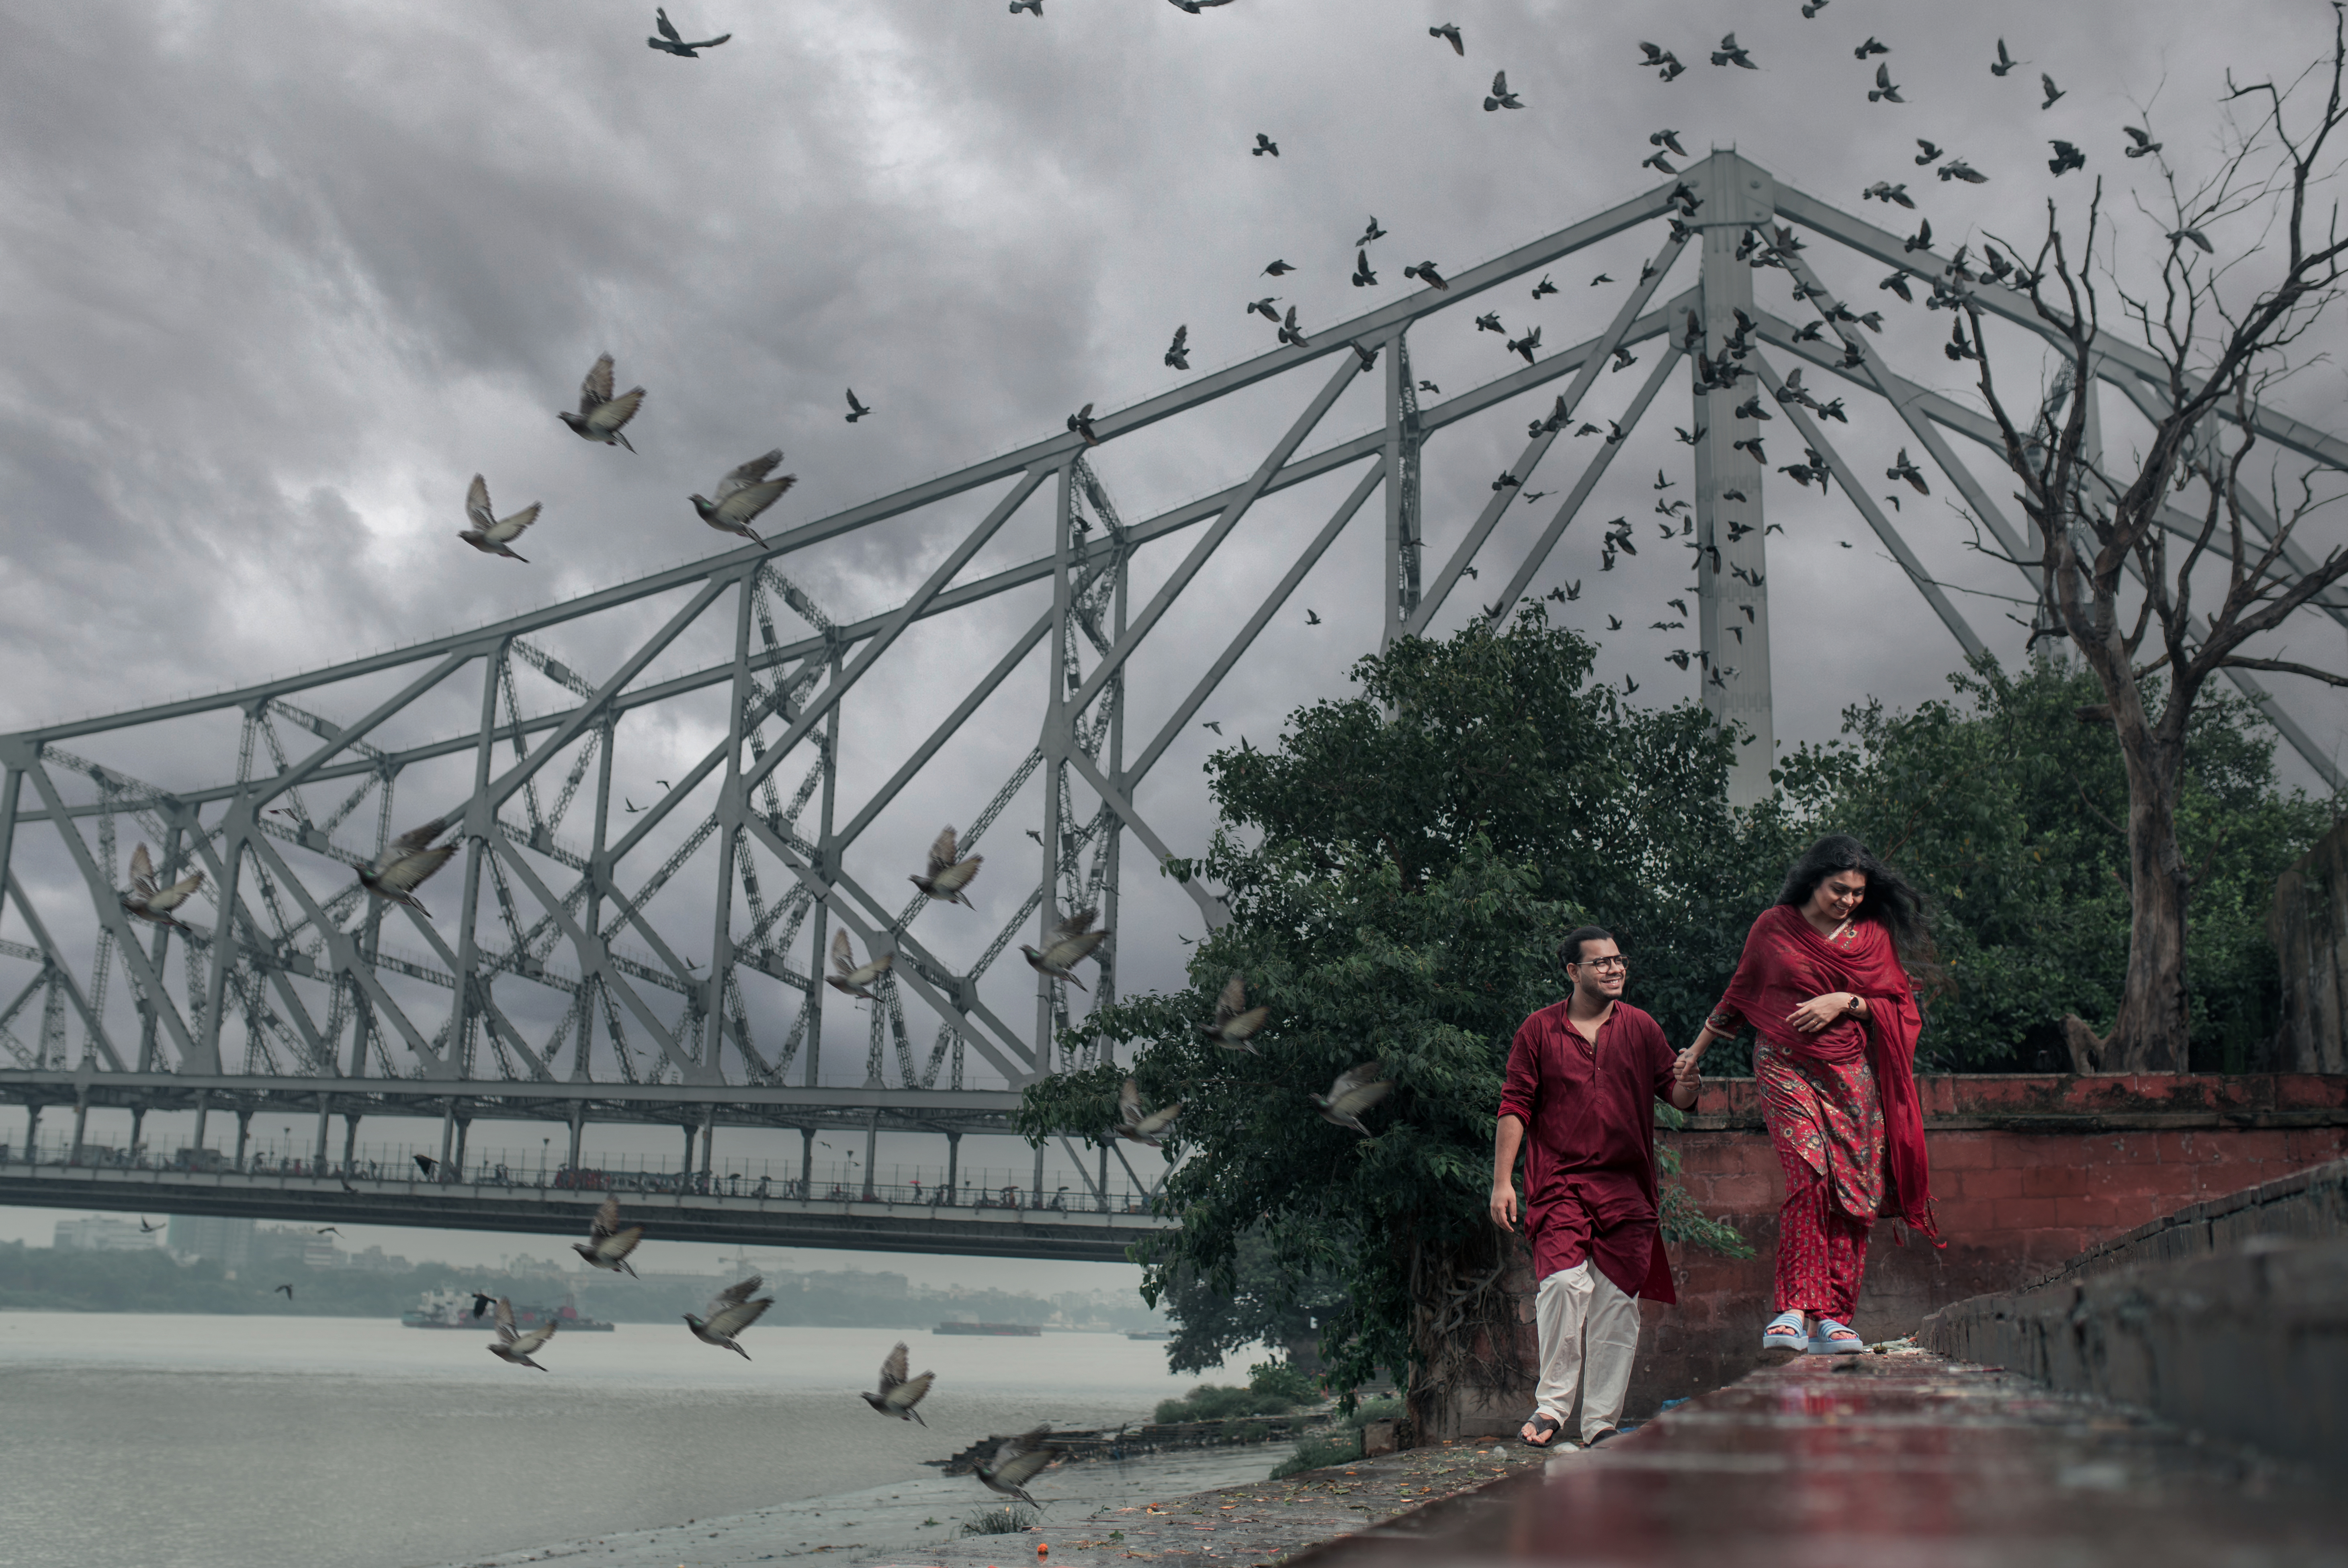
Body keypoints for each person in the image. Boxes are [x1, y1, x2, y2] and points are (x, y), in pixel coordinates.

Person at [1675, 834, 1939, 1356]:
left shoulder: (1872, 935)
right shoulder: (1774, 926)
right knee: (1811, 1172)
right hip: (1783, 1064)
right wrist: (1696, 1052)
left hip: (1852, 1075)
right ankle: (1794, 1308)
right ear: (1813, 880)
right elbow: (1740, 990)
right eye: (1839, 889)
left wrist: (1844, 1001)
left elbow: (1900, 1005)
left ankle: (1835, 1319)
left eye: (1857, 893)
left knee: (1855, 1193)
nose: (1848, 901)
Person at [1492, 927, 1700, 1450]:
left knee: (1617, 1305)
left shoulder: (1642, 1028)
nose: (1614, 970)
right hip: (1558, 1184)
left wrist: (1689, 1084)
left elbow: (1674, 1094)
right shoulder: (1539, 1031)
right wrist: (1502, 1182)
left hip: (1627, 1189)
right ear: (1573, 972)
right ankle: (1552, 1407)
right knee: (1564, 1286)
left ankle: (1602, 1421)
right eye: (1601, 963)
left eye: (1619, 961)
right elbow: (1515, 1105)